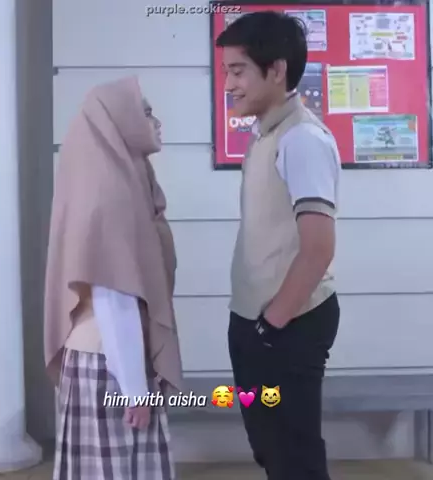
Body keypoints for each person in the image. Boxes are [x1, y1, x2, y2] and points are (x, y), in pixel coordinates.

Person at [216, 11, 341, 480]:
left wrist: (271, 325)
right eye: (226, 71)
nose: (229, 84)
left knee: (293, 455)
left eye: (238, 71)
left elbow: (318, 248)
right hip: (258, 321)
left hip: (288, 325)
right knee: (271, 448)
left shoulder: (302, 139)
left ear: (276, 70)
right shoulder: (265, 134)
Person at [43, 76, 182, 479]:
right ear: (118, 122)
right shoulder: (109, 195)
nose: (156, 122)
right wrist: (135, 390)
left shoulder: (120, 181)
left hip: (109, 361)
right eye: (146, 113)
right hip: (111, 364)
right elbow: (114, 296)